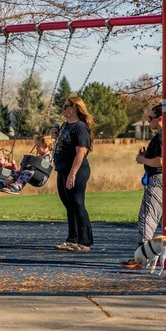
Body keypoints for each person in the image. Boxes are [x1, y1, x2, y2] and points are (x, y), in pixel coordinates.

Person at [122, 104, 166, 268]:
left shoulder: (162, 136)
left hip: (159, 181)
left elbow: (161, 161)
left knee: (147, 217)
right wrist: (146, 157)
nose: (148, 122)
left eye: (150, 118)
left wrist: (143, 160)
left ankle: (142, 257)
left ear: (160, 119)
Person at [52, 96, 94, 252]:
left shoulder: (80, 127)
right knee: (68, 205)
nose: (63, 109)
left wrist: (73, 173)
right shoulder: (65, 126)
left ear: (74, 108)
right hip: (63, 170)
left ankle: (85, 241)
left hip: (77, 170)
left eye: (65, 106)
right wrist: (55, 133)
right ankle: (72, 239)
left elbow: (81, 152)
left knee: (77, 204)